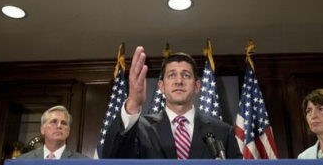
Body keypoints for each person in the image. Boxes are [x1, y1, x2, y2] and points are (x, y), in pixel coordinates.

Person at [102, 46, 242, 159]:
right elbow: (111, 156)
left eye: (186, 75)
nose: (179, 81)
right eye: (171, 75)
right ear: (161, 86)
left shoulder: (222, 132)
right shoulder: (140, 130)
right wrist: (133, 103)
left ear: (197, 86)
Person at [18, 105, 88, 159]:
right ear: (42, 129)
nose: (59, 126)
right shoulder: (23, 160)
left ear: (68, 131)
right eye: (54, 122)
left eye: (64, 123)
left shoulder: (84, 163)